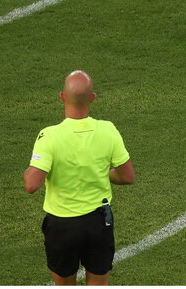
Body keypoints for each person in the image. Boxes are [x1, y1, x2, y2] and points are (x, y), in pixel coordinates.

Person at [25, 70, 135, 286]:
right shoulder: (108, 130)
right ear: (92, 98)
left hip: (62, 226)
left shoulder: (49, 136)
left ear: (62, 97)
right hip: (98, 223)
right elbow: (127, 176)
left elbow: (31, 184)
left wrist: (30, 170)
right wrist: (104, 173)